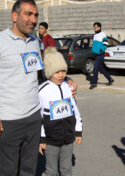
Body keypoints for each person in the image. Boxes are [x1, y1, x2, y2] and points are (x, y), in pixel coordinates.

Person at [0, 0, 78, 175]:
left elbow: (41, 74)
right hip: (7, 122)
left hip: (33, 118)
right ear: (14, 16)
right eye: (28, 14)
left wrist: (66, 78)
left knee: (28, 169)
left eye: (36, 15)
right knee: (6, 170)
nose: (33, 20)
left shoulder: (34, 42)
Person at [38, 47, 83, 176]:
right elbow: (39, 118)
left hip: (68, 138)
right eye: (57, 72)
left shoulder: (68, 87)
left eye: (63, 71)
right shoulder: (42, 91)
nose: (61, 75)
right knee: (51, 171)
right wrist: (41, 139)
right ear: (49, 72)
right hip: (51, 139)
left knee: (66, 169)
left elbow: (75, 111)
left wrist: (78, 131)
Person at [89, 22, 114, 89]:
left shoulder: (103, 34)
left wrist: (101, 50)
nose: (94, 28)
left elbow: (105, 44)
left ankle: (94, 83)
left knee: (95, 69)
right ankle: (110, 79)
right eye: (94, 27)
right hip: (96, 54)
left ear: (99, 27)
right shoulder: (95, 35)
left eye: (96, 27)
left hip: (100, 54)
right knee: (101, 69)